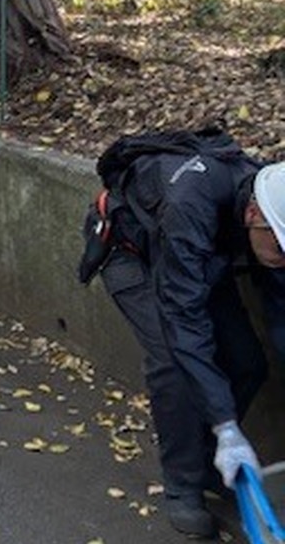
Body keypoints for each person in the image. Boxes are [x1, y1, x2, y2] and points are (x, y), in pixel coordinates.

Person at [97, 136, 285, 539]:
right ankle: (182, 482)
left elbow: (281, 312)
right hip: (134, 257)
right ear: (253, 213)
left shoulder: (269, 204)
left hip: (195, 263)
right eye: (282, 248)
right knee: (173, 362)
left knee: (248, 362)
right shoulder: (190, 202)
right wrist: (227, 428)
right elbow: (183, 319)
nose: (283, 258)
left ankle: (207, 462)